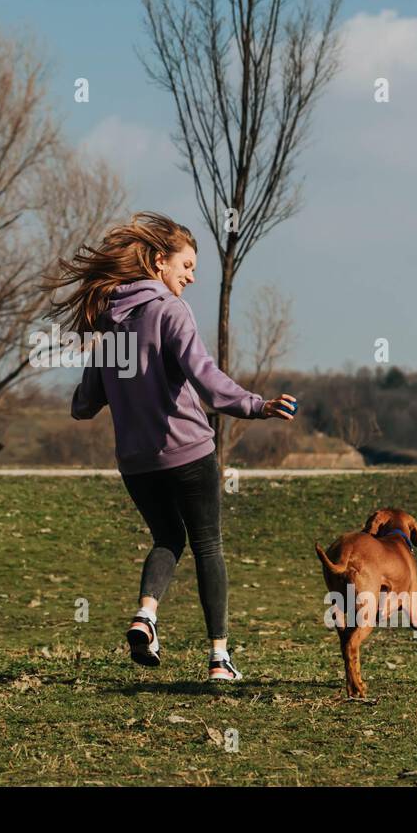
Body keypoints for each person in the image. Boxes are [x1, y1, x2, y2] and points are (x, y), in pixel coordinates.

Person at [49, 212, 296, 682]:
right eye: (186, 265)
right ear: (159, 261)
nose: (191, 276)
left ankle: (146, 616)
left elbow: (83, 405)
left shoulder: (109, 324)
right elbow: (209, 384)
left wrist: (117, 379)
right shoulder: (169, 311)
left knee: (167, 538)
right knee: (208, 545)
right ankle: (220, 658)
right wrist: (258, 406)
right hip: (188, 452)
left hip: (136, 463)